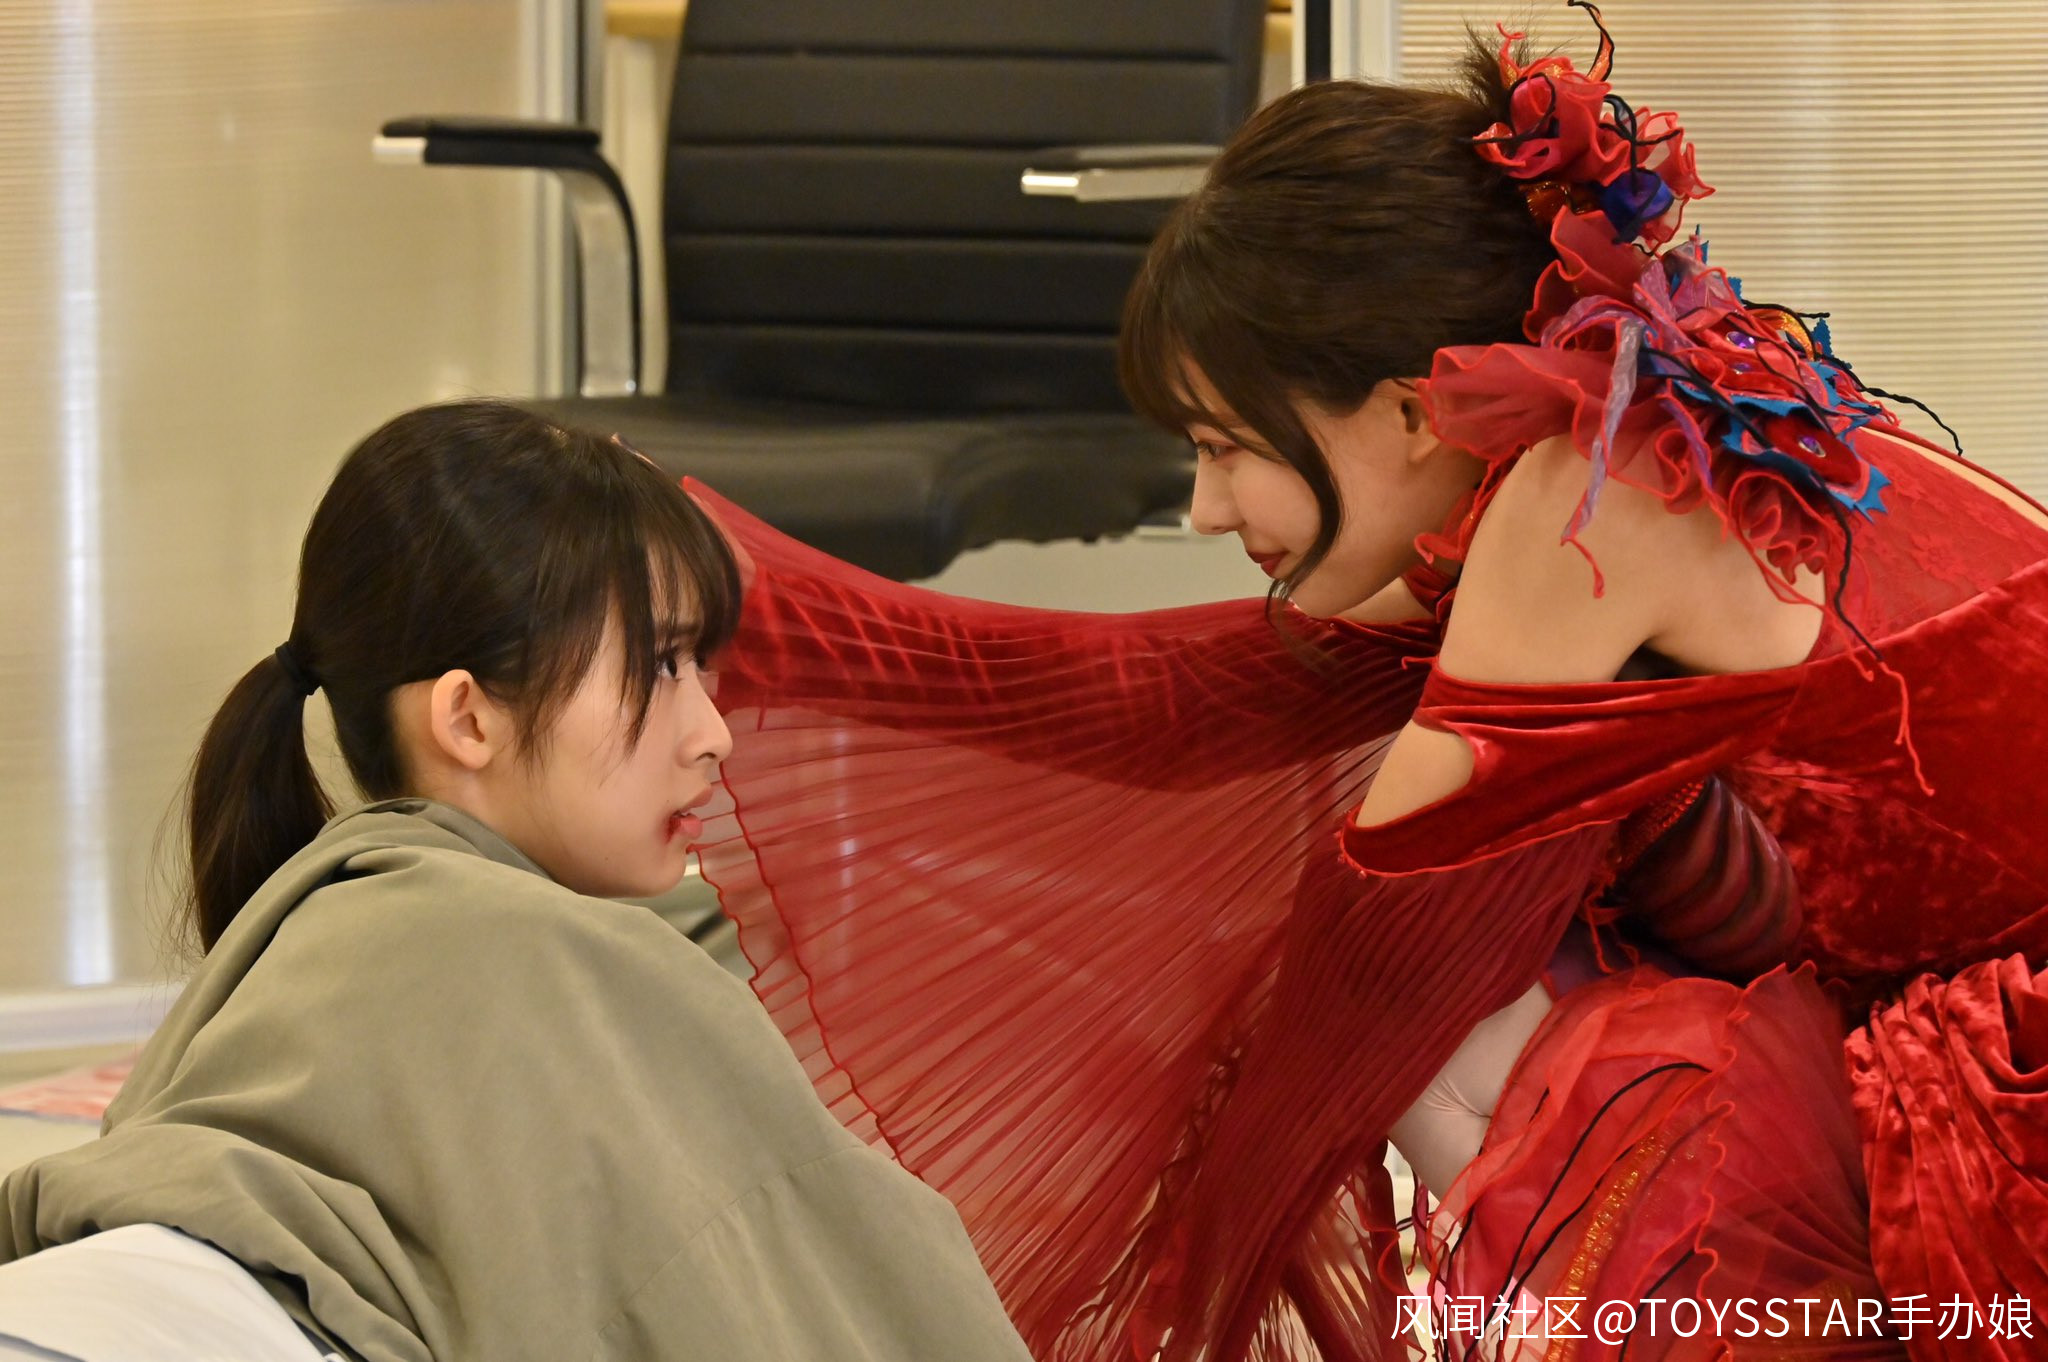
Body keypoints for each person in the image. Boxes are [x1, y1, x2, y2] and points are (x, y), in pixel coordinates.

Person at [678, 9, 2048, 1360]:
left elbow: (1372, 951)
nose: (1207, 507)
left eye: (1226, 447)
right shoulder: (1572, 446)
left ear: (1404, 409)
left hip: (2011, 1058)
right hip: (1920, 981)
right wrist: (748, 619)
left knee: (1455, 999)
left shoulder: (1589, 500)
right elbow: (1185, 700)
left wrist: (1164, 1291)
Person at [0, 402, 1035, 1362]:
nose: (712, 731)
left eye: (700, 668)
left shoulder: (309, 931)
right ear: (467, 718)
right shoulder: (549, 962)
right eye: (660, 664)